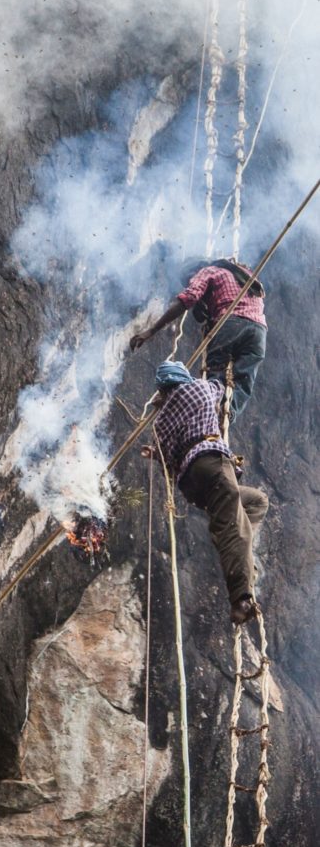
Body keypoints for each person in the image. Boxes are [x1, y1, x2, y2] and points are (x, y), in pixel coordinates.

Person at [143, 360, 268, 624]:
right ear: (182, 379)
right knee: (235, 528)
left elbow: (165, 457)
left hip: (192, 484)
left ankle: (233, 539)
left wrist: (156, 450)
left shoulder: (161, 420)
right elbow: (219, 388)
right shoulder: (198, 389)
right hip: (211, 463)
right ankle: (241, 599)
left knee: (256, 502)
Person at [129, 258, 267, 419]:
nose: (190, 281)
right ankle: (229, 413)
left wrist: (151, 331)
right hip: (259, 331)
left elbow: (188, 298)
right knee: (244, 379)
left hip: (231, 322)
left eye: (189, 278)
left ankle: (213, 412)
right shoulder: (244, 276)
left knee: (215, 371)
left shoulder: (208, 270)